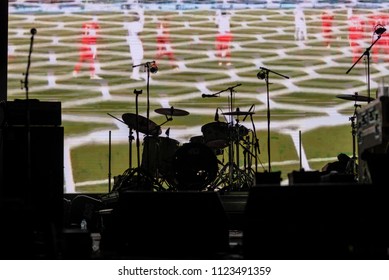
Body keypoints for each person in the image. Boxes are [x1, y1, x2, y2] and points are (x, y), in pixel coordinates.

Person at [126, 6, 145, 80]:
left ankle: (135, 74)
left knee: (136, 59)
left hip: (131, 42)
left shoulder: (130, 24)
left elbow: (127, 34)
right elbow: (140, 34)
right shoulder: (137, 25)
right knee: (138, 58)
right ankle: (135, 75)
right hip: (136, 42)